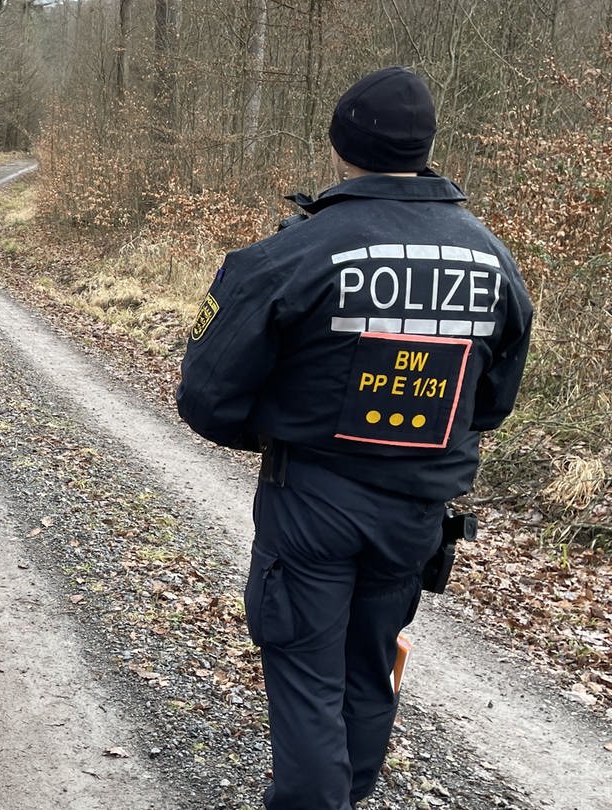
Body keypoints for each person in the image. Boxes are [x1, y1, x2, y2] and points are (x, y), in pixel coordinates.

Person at [176, 66, 533, 810]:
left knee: (307, 672)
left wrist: (281, 435)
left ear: (339, 144)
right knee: (369, 667)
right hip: (417, 511)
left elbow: (206, 396)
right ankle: (347, 793)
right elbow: (493, 401)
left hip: (312, 500)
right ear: (426, 148)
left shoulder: (295, 253)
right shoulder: (493, 261)